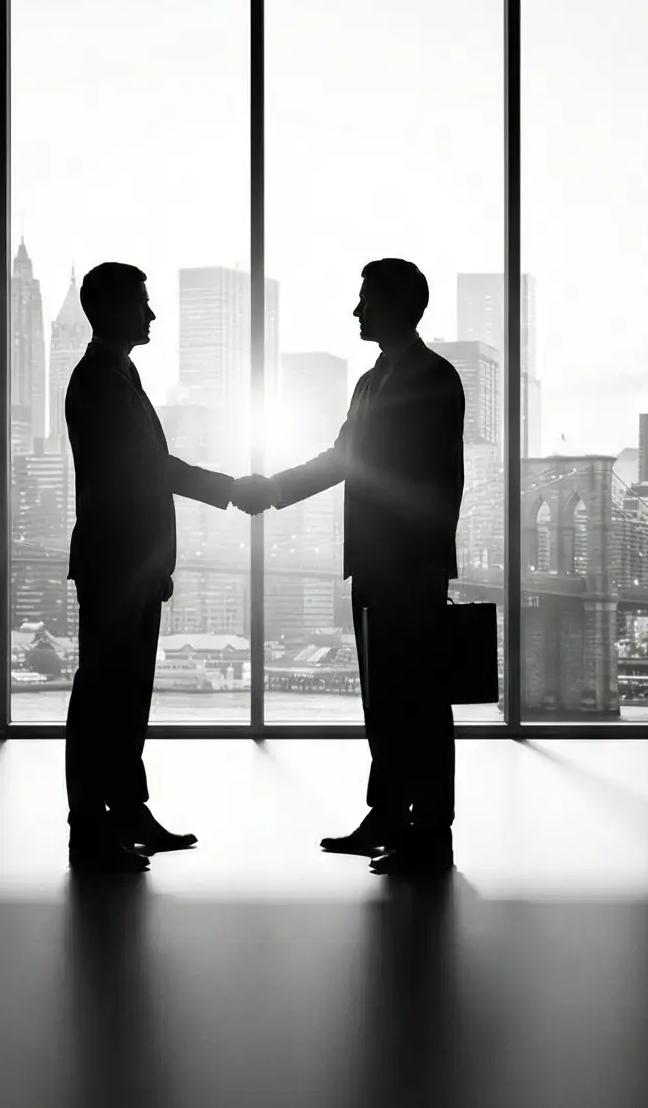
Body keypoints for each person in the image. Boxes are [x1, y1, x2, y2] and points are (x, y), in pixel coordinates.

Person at [238, 259, 464, 875]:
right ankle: (387, 818)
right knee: (384, 702)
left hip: (410, 566)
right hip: (372, 564)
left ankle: (430, 834)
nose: (357, 310)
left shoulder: (435, 378)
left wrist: (419, 558)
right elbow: (343, 457)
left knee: (419, 704)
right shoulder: (369, 383)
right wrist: (275, 489)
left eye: (367, 299)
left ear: (398, 305)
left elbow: (436, 481)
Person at [64, 261, 240, 872]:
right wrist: (229, 489)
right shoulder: (99, 381)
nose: (152, 314)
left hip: (131, 565)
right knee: (103, 698)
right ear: (113, 309)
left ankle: (127, 812)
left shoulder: (119, 374)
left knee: (126, 697)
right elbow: (148, 471)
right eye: (142, 303)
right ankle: (90, 829)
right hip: (115, 565)